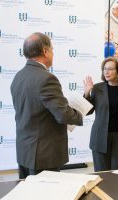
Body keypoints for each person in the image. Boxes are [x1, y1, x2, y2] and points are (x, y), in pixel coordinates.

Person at [10, 32, 83, 179]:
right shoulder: (47, 78)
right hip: (43, 154)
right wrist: (80, 113)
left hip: (25, 151)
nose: (53, 53)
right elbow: (63, 114)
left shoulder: (19, 76)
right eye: (52, 49)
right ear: (45, 51)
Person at [83, 57, 118, 172]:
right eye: (104, 69)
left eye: (110, 69)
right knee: (102, 173)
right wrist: (87, 93)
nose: (106, 72)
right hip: (100, 137)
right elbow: (88, 111)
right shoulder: (97, 88)